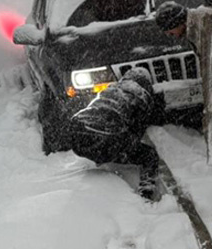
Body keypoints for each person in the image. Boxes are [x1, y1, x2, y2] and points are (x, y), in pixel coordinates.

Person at [67, 67, 162, 201]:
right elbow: (136, 130)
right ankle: (147, 192)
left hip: (78, 131)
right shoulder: (141, 97)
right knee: (149, 155)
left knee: (106, 144)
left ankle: (99, 153)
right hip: (108, 134)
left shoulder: (109, 89)